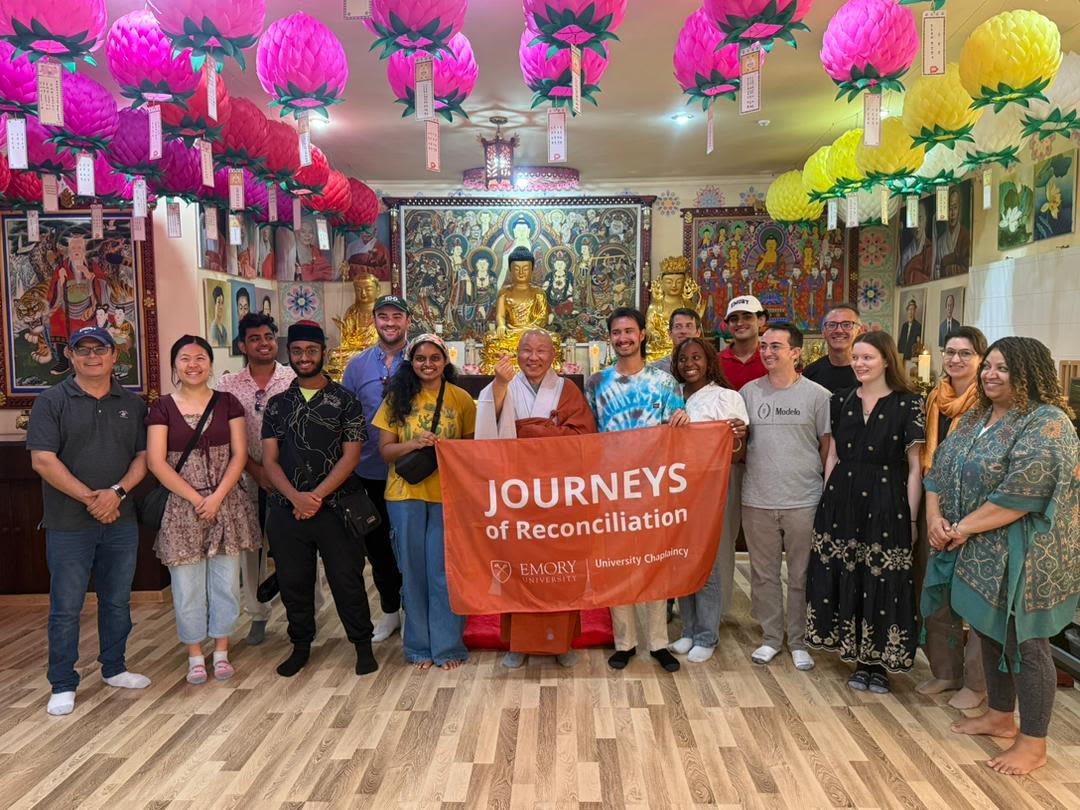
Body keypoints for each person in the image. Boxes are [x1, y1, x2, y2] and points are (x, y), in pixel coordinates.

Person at [923, 337, 1079, 776]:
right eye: (988, 365)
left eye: (1003, 368)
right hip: (977, 548)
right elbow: (940, 468)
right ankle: (999, 715)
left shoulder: (1047, 423)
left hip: (1026, 554)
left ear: (1029, 372)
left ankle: (1033, 743)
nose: (991, 374)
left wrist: (959, 528)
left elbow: (1024, 494)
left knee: (1026, 644)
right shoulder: (976, 417)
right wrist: (936, 517)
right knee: (988, 632)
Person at [27, 325, 151, 716]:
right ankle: (62, 683)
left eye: (101, 349)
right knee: (66, 606)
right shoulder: (51, 401)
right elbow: (42, 460)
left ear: (116, 356)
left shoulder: (133, 404)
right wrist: (91, 498)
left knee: (116, 601)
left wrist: (116, 494)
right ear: (71, 356)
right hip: (68, 523)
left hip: (121, 519)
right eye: (84, 350)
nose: (92, 356)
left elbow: (144, 456)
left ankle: (114, 668)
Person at [805, 331, 925, 694]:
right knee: (848, 573)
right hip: (843, 499)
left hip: (887, 499)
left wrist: (914, 518)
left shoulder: (908, 403)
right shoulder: (840, 400)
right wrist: (827, 500)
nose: (859, 363)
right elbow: (832, 456)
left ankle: (879, 663)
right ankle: (857, 658)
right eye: (856, 357)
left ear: (886, 360)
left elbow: (915, 467)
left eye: (867, 357)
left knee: (883, 577)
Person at [261, 321, 378, 678]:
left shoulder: (346, 400)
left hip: (337, 507)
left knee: (347, 579)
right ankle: (300, 645)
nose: (304, 357)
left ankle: (362, 644)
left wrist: (315, 497)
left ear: (323, 352)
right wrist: (296, 497)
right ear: (289, 354)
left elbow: (351, 457)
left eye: (311, 350)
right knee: (295, 581)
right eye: (297, 351)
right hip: (287, 509)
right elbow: (269, 459)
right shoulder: (278, 404)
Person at [476, 330, 597, 669]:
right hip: (516, 495)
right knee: (519, 569)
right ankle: (518, 643)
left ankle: (560, 642)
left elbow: (583, 437)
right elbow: (487, 434)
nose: (533, 357)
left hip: (558, 495)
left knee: (559, 570)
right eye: (526, 350)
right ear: (516, 353)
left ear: (553, 355)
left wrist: (529, 430)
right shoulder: (504, 386)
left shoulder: (566, 389)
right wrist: (500, 386)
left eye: (541, 351)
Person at [146, 335, 259, 684]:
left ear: (211, 364)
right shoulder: (162, 407)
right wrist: (197, 500)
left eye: (200, 358)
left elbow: (240, 455)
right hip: (181, 507)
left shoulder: (228, 403)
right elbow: (156, 461)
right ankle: (195, 653)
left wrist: (216, 497)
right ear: (174, 365)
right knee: (187, 584)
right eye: (184, 359)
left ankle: (222, 649)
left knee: (225, 582)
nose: (192, 365)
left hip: (226, 503)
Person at [585, 307, 688, 672]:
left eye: (629, 331)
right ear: (610, 338)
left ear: (642, 335)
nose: (623, 338)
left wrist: (683, 420)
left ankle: (658, 641)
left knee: (655, 565)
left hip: (654, 485)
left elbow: (678, 430)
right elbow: (588, 436)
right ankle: (624, 641)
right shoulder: (596, 383)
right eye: (616, 333)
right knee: (617, 565)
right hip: (612, 487)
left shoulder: (664, 383)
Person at [375, 334, 476, 670]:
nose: (428, 365)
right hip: (404, 495)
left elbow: (470, 451)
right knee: (413, 572)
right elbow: (385, 451)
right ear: (411, 362)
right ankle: (418, 646)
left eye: (435, 358)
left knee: (443, 572)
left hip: (447, 496)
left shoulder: (461, 399)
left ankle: (448, 646)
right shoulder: (396, 398)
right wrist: (414, 444)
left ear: (445, 361)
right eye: (421, 358)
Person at [739, 323, 831, 672]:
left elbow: (826, 449)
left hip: (803, 499)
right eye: (763, 346)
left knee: (801, 573)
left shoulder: (818, 396)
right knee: (763, 574)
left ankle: (799, 640)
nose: (767, 352)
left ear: (796, 352)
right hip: (758, 498)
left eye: (776, 346)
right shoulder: (748, 393)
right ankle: (770, 638)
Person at [916, 326, 988, 709]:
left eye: (966, 353)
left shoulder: (989, 404)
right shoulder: (934, 399)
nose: (956, 360)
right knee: (935, 594)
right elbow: (935, 465)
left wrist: (966, 523)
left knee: (976, 604)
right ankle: (946, 671)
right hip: (937, 506)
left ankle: (978, 683)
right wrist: (933, 517)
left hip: (978, 516)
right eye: (950, 352)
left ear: (981, 360)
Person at [216, 312, 297, 645]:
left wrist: (277, 471)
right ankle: (257, 614)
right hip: (244, 476)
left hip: (291, 476)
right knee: (251, 548)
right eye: (254, 338)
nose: (263, 343)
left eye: (268, 336)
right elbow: (223, 435)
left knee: (298, 547)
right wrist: (254, 468)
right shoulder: (227, 385)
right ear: (242, 345)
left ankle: (303, 612)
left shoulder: (294, 378)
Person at [666, 337, 748, 663]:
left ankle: (707, 634)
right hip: (674, 491)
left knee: (707, 564)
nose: (690, 363)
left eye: (697, 357)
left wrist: (733, 436)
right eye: (684, 358)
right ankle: (688, 630)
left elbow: (737, 450)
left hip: (710, 491)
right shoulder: (671, 396)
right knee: (681, 562)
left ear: (709, 360)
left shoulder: (727, 397)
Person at [342, 295, 411, 643]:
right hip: (369, 470)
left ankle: (415, 612)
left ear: (407, 322)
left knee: (412, 547)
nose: (390, 323)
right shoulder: (357, 366)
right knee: (379, 547)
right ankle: (389, 612)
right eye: (383, 316)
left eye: (396, 316)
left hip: (414, 471)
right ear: (374, 321)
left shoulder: (421, 358)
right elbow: (346, 415)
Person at [802, 303, 862, 393]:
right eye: (832, 325)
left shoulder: (867, 371)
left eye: (846, 325)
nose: (839, 330)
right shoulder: (810, 373)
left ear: (859, 332)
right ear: (823, 332)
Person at [719, 296, 768, 391]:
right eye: (734, 319)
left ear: (761, 320)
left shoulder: (771, 358)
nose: (740, 323)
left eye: (747, 317)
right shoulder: (715, 362)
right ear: (728, 325)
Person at [651, 308, 702, 376]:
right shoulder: (656, 369)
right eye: (678, 326)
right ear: (670, 333)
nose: (683, 331)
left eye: (689, 326)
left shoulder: (709, 366)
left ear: (698, 332)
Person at [934, 187, 971, 279]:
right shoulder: (940, 242)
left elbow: (967, 267)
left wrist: (946, 263)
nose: (952, 213)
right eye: (949, 209)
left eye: (955, 208)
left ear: (959, 209)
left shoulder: (965, 236)